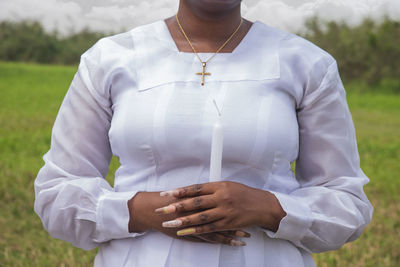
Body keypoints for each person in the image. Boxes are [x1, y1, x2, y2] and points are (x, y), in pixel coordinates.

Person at [34, 0, 373, 266]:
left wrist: (270, 208)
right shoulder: (109, 59)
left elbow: (347, 204)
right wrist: (140, 211)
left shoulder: (307, 64)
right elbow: (57, 193)